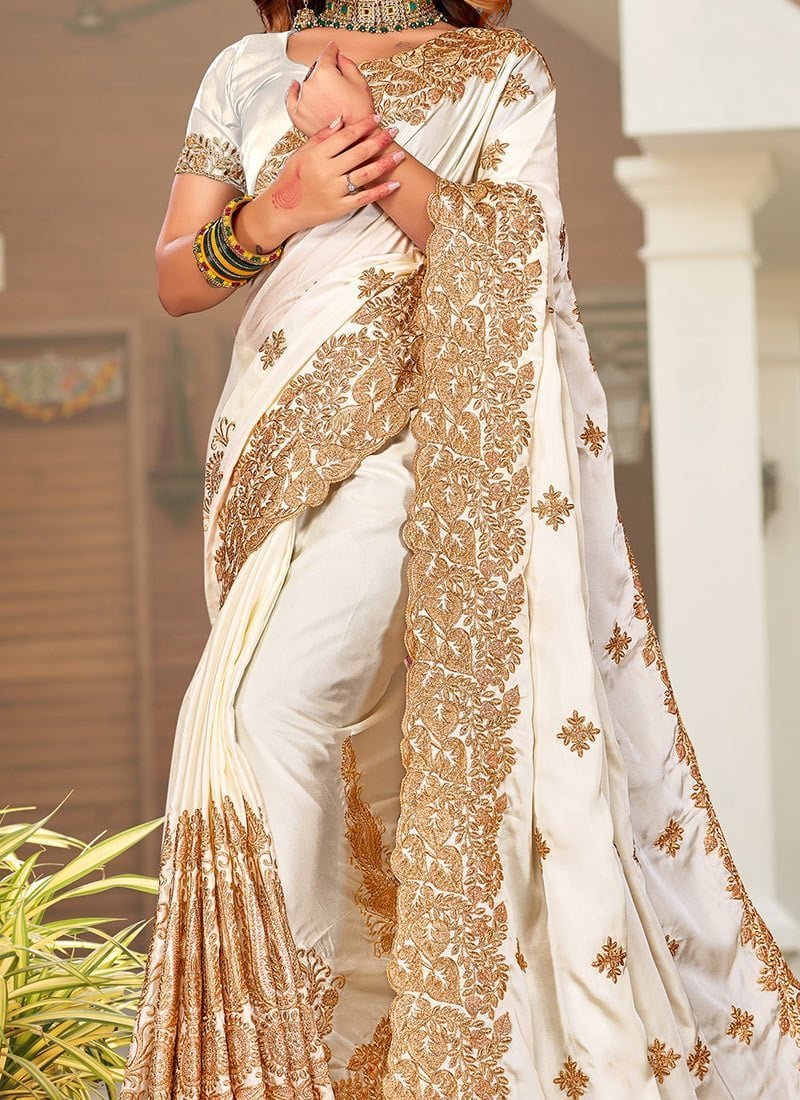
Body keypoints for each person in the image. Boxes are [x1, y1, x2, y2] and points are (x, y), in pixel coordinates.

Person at [120, 0, 800, 1096]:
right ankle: (330, 1049)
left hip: (413, 446)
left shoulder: (501, 72)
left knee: (269, 711)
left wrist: (367, 151)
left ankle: (277, 1057)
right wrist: (282, 206)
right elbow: (174, 275)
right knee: (270, 731)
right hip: (264, 454)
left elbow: (517, 254)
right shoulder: (241, 68)